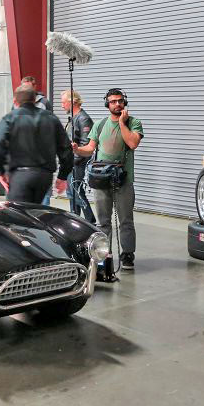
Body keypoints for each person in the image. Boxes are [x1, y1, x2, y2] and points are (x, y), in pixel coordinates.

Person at [73, 88, 143, 270]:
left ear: (124, 102)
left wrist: (121, 123)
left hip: (123, 181)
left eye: (120, 101)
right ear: (107, 104)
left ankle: (127, 255)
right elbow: (90, 148)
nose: (117, 104)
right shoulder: (100, 124)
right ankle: (104, 255)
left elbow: (132, 143)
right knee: (103, 222)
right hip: (101, 180)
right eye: (113, 101)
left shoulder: (133, 123)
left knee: (126, 221)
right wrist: (77, 150)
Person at [0, 85, 71, 203]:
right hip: (44, 177)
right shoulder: (51, 118)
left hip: (20, 176)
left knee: (17, 211)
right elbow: (66, 148)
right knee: (37, 209)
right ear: (34, 100)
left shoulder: (11, 118)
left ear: (15, 101)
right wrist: (63, 176)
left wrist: (0, 171)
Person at [61, 89, 95, 223]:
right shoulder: (73, 118)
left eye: (63, 102)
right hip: (71, 163)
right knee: (72, 193)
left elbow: (86, 145)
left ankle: (90, 221)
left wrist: (72, 160)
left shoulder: (83, 119)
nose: (62, 106)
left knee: (77, 192)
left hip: (77, 163)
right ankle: (75, 220)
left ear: (72, 102)